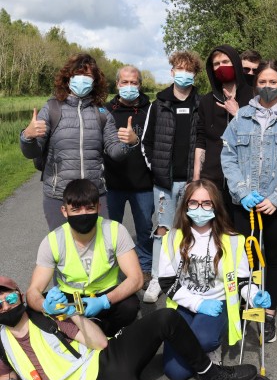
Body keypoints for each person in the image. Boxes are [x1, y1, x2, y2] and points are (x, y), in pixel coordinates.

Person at [0, 276, 259, 380]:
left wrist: (70, 313)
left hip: (101, 364)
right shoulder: (2, 342)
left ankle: (210, 374)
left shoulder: (45, 317)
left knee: (166, 317)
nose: (6, 305)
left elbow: (101, 343)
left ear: (20, 296)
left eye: (9, 297)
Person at [221, 59, 277, 343]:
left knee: (272, 257)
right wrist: (242, 191)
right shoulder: (241, 117)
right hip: (244, 204)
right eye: (262, 82)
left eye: (273, 82)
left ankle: (269, 313)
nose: (267, 87)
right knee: (246, 257)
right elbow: (229, 157)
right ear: (255, 84)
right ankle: (248, 305)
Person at [158, 179, 271, 380]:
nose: (199, 208)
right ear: (185, 206)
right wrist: (198, 304)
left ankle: (212, 346)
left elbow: (242, 281)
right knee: (175, 373)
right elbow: (166, 282)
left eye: (206, 203)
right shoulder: (172, 237)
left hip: (217, 305)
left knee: (203, 340)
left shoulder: (234, 240)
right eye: (193, 202)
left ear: (216, 206)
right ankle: (201, 356)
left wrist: (255, 295)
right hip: (184, 303)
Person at [20, 53, 139, 231]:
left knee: (101, 249)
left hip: (95, 194)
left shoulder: (101, 112)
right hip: (58, 195)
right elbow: (33, 152)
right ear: (68, 78)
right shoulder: (52, 108)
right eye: (78, 74)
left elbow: (115, 152)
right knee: (63, 250)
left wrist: (130, 142)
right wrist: (27, 137)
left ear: (95, 81)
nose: (82, 79)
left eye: (88, 76)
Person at [26, 179, 143, 337]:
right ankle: (78, 336)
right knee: (32, 311)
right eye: (76, 209)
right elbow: (33, 291)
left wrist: (104, 301)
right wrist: (45, 306)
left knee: (129, 305)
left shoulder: (116, 231)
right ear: (64, 211)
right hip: (70, 300)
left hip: (105, 295)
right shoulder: (52, 241)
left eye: (89, 208)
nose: (83, 214)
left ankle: (112, 336)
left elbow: (136, 279)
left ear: (99, 208)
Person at [141, 51, 203, 303]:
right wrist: (156, 171)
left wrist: (196, 178)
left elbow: (203, 141)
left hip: (190, 182)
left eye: (189, 70)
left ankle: (182, 276)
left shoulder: (201, 104)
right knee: (163, 230)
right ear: (172, 72)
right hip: (164, 184)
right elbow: (146, 142)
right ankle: (157, 277)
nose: (184, 73)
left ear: (195, 74)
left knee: (188, 230)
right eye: (179, 68)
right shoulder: (159, 104)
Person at [104, 65, 154, 290]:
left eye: (134, 82)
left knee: (144, 229)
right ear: (117, 85)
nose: (129, 87)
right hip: (112, 184)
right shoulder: (106, 111)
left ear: (140, 85)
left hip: (143, 184)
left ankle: (145, 267)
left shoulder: (150, 110)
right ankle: (110, 270)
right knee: (110, 230)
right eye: (125, 82)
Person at [194, 44, 254, 219]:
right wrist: (197, 177)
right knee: (215, 236)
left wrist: (237, 114)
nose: (221, 67)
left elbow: (261, 136)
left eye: (226, 61)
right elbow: (201, 140)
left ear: (235, 63)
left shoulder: (254, 97)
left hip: (245, 182)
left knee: (243, 238)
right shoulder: (206, 101)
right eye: (216, 64)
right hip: (213, 181)